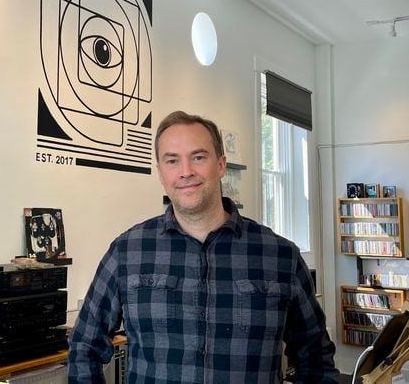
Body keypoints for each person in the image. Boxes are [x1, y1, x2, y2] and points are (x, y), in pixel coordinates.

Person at [68, 111, 338, 383]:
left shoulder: (280, 256)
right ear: (161, 173)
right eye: (172, 161)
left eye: (198, 157)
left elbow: (315, 358)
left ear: (221, 165)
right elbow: (84, 348)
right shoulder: (127, 252)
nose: (186, 172)